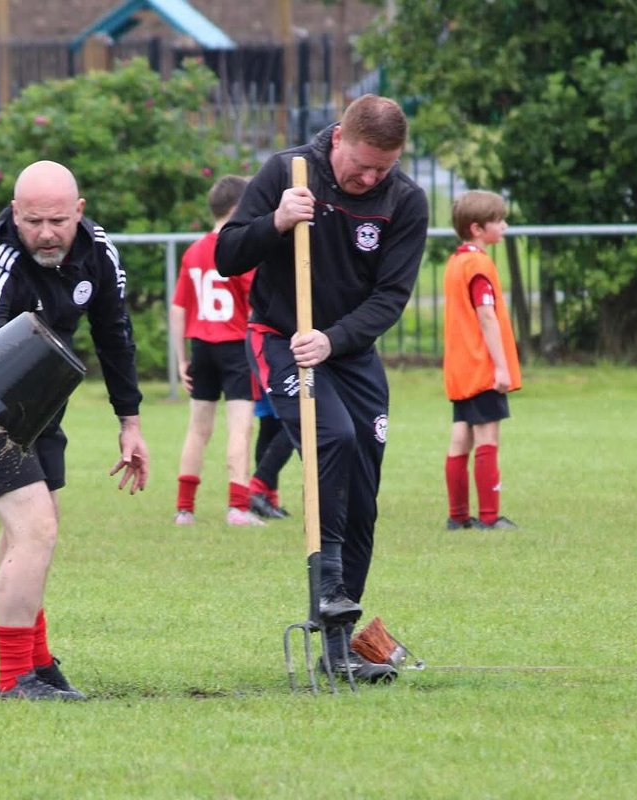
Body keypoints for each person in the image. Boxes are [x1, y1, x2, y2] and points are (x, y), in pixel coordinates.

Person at [215, 94, 429, 683]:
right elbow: (227, 256)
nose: (369, 177)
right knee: (331, 434)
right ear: (339, 138)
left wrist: (334, 340)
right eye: (361, 164)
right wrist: (277, 221)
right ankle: (327, 586)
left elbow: (391, 296)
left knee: (364, 490)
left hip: (348, 350)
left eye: (381, 169)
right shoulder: (288, 172)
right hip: (281, 335)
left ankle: (337, 651)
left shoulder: (404, 200)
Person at [0, 160, 149, 700]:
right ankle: (15, 680)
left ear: (78, 211)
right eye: (33, 222)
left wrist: (130, 422)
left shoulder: (99, 252)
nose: (46, 234)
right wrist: (9, 443)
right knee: (36, 528)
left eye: (57, 220)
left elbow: (114, 334)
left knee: (30, 531)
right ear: (14, 213)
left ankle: (38, 662)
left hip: (42, 395)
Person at [171, 174, 266, 527]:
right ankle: (238, 507)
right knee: (240, 428)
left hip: (201, 348)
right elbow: (256, 303)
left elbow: (178, 307)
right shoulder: (238, 249)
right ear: (239, 208)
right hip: (234, 346)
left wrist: (182, 359)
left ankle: (185, 509)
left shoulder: (194, 251)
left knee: (198, 429)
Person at [442, 190, 522, 531]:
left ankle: (458, 517)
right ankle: (490, 517)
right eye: (498, 221)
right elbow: (486, 316)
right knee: (488, 437)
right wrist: (501, 367)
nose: (504, 226)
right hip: (481, 367)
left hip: (460, 368)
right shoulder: (478, 264)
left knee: (461, 438)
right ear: (477, 228)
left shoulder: (455, 262)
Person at [248, 391, 294, 519]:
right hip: (282, 374)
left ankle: (268, 498)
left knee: (270, 423)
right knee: (297, 423)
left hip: (264, 373)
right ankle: (256, 489)